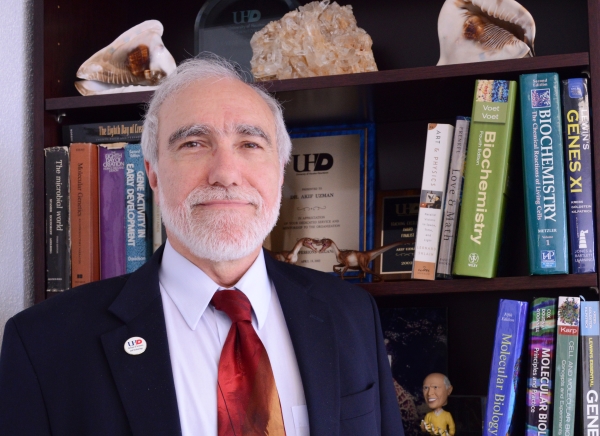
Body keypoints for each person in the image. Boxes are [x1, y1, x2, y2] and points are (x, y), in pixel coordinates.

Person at [0, 55, 404, 436]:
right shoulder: (44, 344)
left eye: (250, 144)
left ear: (279, 172)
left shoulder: (351, 314)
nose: (226, 174)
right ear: (153, 174)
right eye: (193, 143)